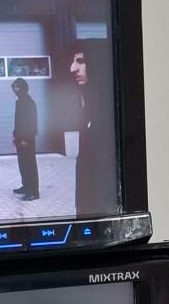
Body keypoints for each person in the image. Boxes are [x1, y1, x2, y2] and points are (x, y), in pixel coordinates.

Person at [69, 39, 119, 217]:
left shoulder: (111, 112)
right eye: (73, 61)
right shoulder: (88, 104)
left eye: (81, 61)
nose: (73, 68)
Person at [11, 78, 39, 201]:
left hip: (27, 138)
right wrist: (15, 135)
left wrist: (25, 139)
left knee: (29, 164)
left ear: (23, 87)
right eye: (14, 87)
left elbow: (31, 123)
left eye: (17, 87)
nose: (15, 89)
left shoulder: (28, 102)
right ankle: (26, 186)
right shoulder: (20, 101)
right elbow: (18, 122)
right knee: (22, 163)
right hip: (20, 137)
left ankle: (33, 192)